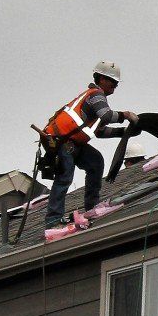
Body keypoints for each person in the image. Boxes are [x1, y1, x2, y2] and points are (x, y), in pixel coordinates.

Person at [40, 62, 135, 238]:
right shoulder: (96, 95)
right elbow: (107, 116)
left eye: (116, 83)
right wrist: (125, 116)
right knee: (64, 178)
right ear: (101, 79)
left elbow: (99, 131)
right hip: (63, 142)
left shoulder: (95, 99)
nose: (115, 86)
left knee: (95, 162)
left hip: (73, 143)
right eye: (111, 81)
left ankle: (91, 207)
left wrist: (124, 132)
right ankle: (53, 220)